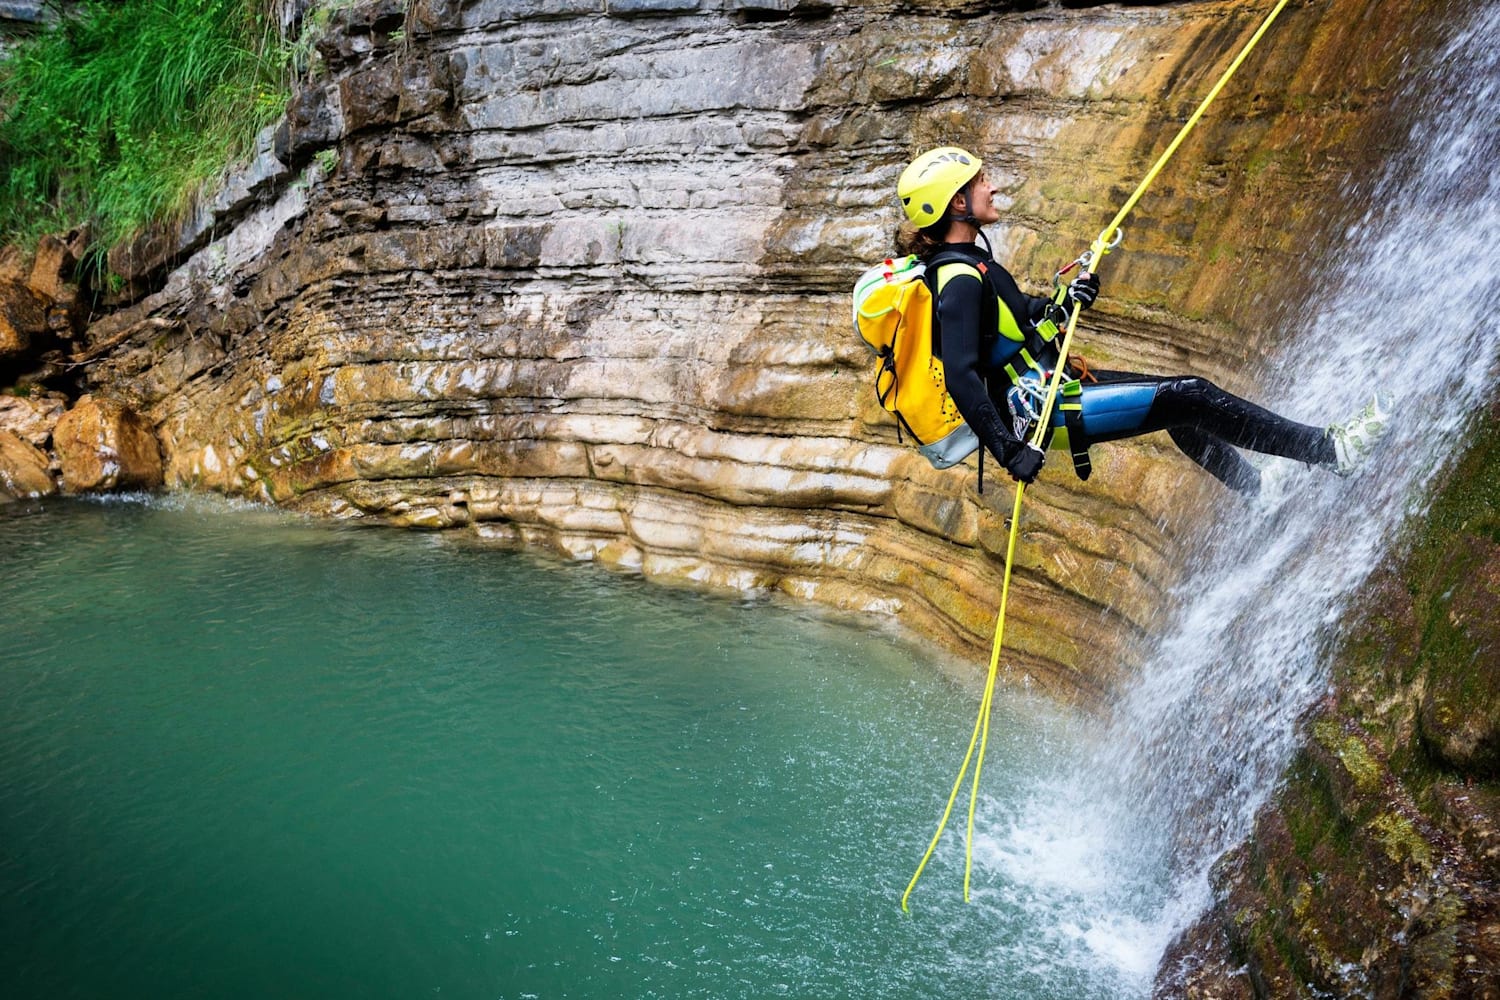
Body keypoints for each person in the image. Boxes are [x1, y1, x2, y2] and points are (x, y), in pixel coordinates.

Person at [893, 146, 1388, 493]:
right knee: (1190, 395)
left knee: (1173, 404)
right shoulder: (957, 278)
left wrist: (1065, 300)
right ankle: (1331, 452)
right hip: (1038, 410)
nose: (992, 186)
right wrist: (1008, 453)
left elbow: (1018, 319)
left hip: (1050, 385)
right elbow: (961, 372)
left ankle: (1255, 489)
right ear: (958, 203)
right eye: (981, 182)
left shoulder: (971, 263)